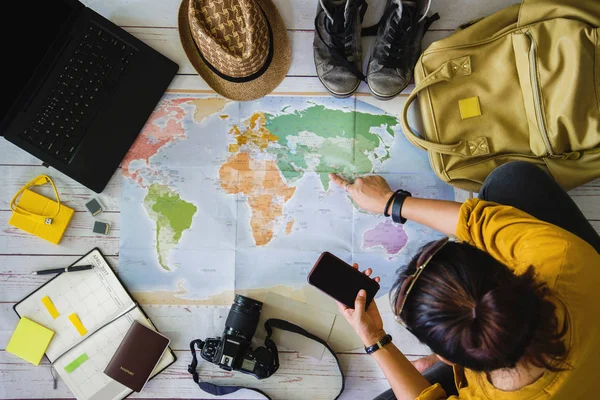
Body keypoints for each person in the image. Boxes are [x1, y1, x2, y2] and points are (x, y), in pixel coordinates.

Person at [329, 161, 600, 400]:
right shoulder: (560, 255)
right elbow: (477, 221)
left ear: (449, 359)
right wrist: (390, 200)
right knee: (511, 180)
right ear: (503, 267)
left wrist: (374, 337)